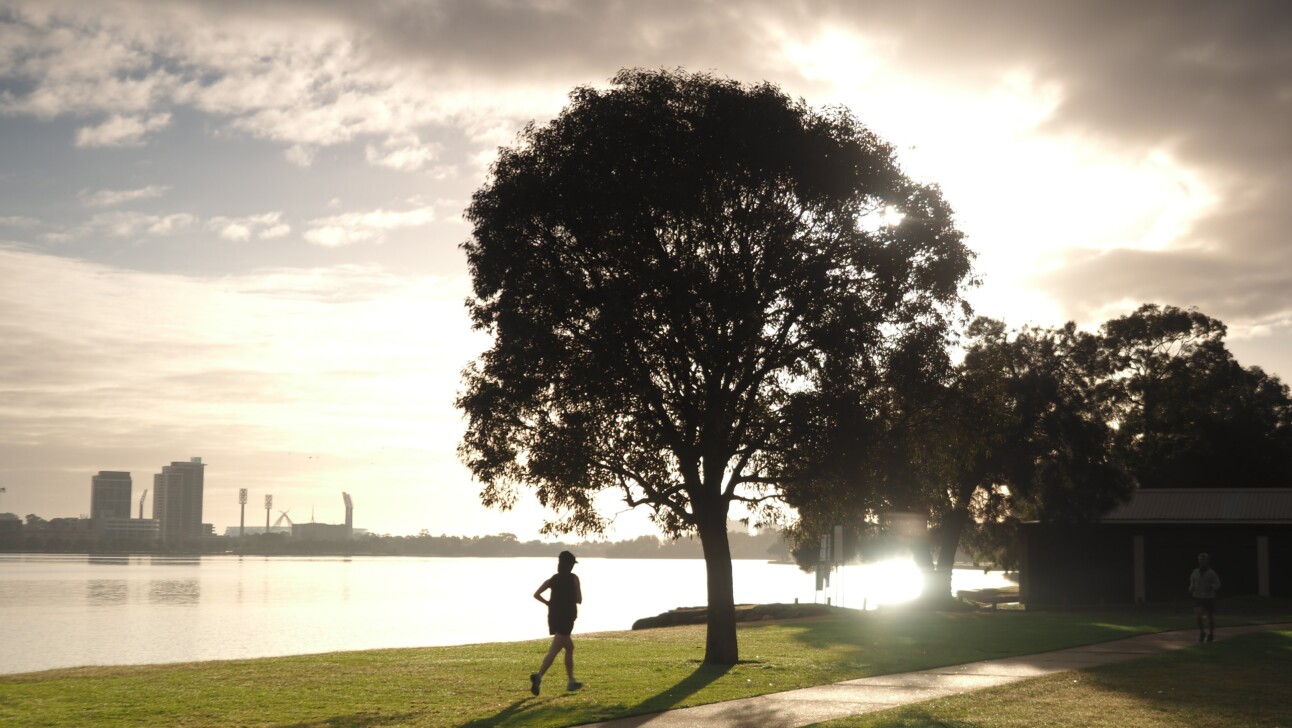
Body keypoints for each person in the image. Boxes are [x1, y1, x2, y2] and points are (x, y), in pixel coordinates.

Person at [530, 550, 583, 695]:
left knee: (569, 647)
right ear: (570, 565)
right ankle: (538, 676)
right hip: (567, 619)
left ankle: (571, 681)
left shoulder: (552, 579)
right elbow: (579, 599)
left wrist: (548, 603)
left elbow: (536, 594)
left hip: (553, 618)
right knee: (554, 650)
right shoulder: (573, 578)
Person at [1189, 552, 1221, 643]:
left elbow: (1218, 583)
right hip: (1197, 597)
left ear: (1207, 560)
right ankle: (1202, 632)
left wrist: (1212, 587)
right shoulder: (1195, 572)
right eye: (1200, 559)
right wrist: (1191, 587)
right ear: (1198, 560)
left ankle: (1211, 634)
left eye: (1203, 559)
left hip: (1209, 597)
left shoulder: (1211, 573)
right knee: (1198, 616)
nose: (1201, 561)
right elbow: (1191, 582)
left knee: (1210, 617)